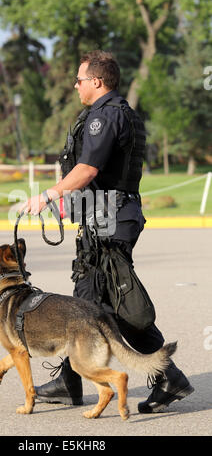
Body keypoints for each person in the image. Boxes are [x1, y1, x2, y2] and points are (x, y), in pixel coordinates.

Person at [20, 50, 194, 413]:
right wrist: (71, 202)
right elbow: (102, 176)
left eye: (80, 79)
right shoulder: (118, 112)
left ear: (97, 81)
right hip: (106, 216)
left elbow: (87, 169)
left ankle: (167, 375)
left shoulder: (106, 115)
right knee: (91, 301)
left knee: (112, 304)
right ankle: (72, 381)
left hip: (110, 222)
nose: (76, 85)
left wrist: (48, 195)